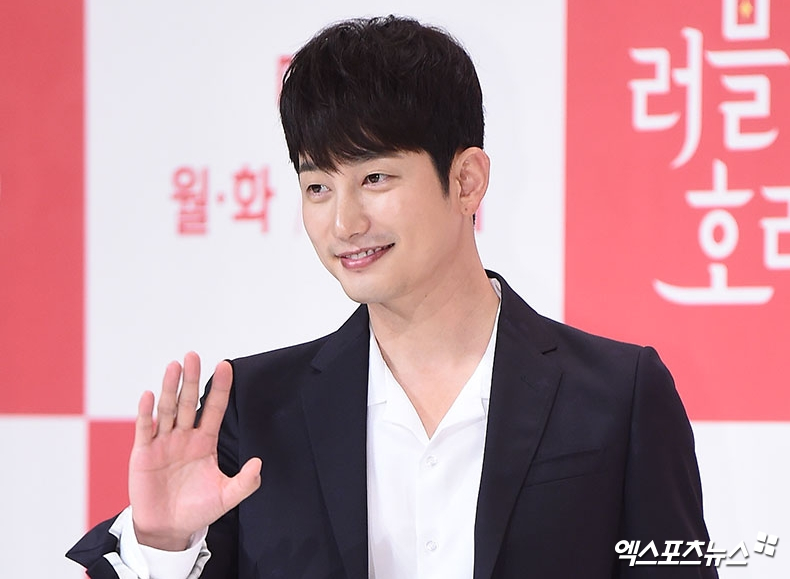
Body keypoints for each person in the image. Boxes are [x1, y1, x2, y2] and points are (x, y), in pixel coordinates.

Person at [68, 15, 717, 579]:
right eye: (318, 187)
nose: (344, 222)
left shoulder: (618, 395)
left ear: (466, 180)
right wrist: (163, 545)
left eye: (375, 177)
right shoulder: (252, 411)